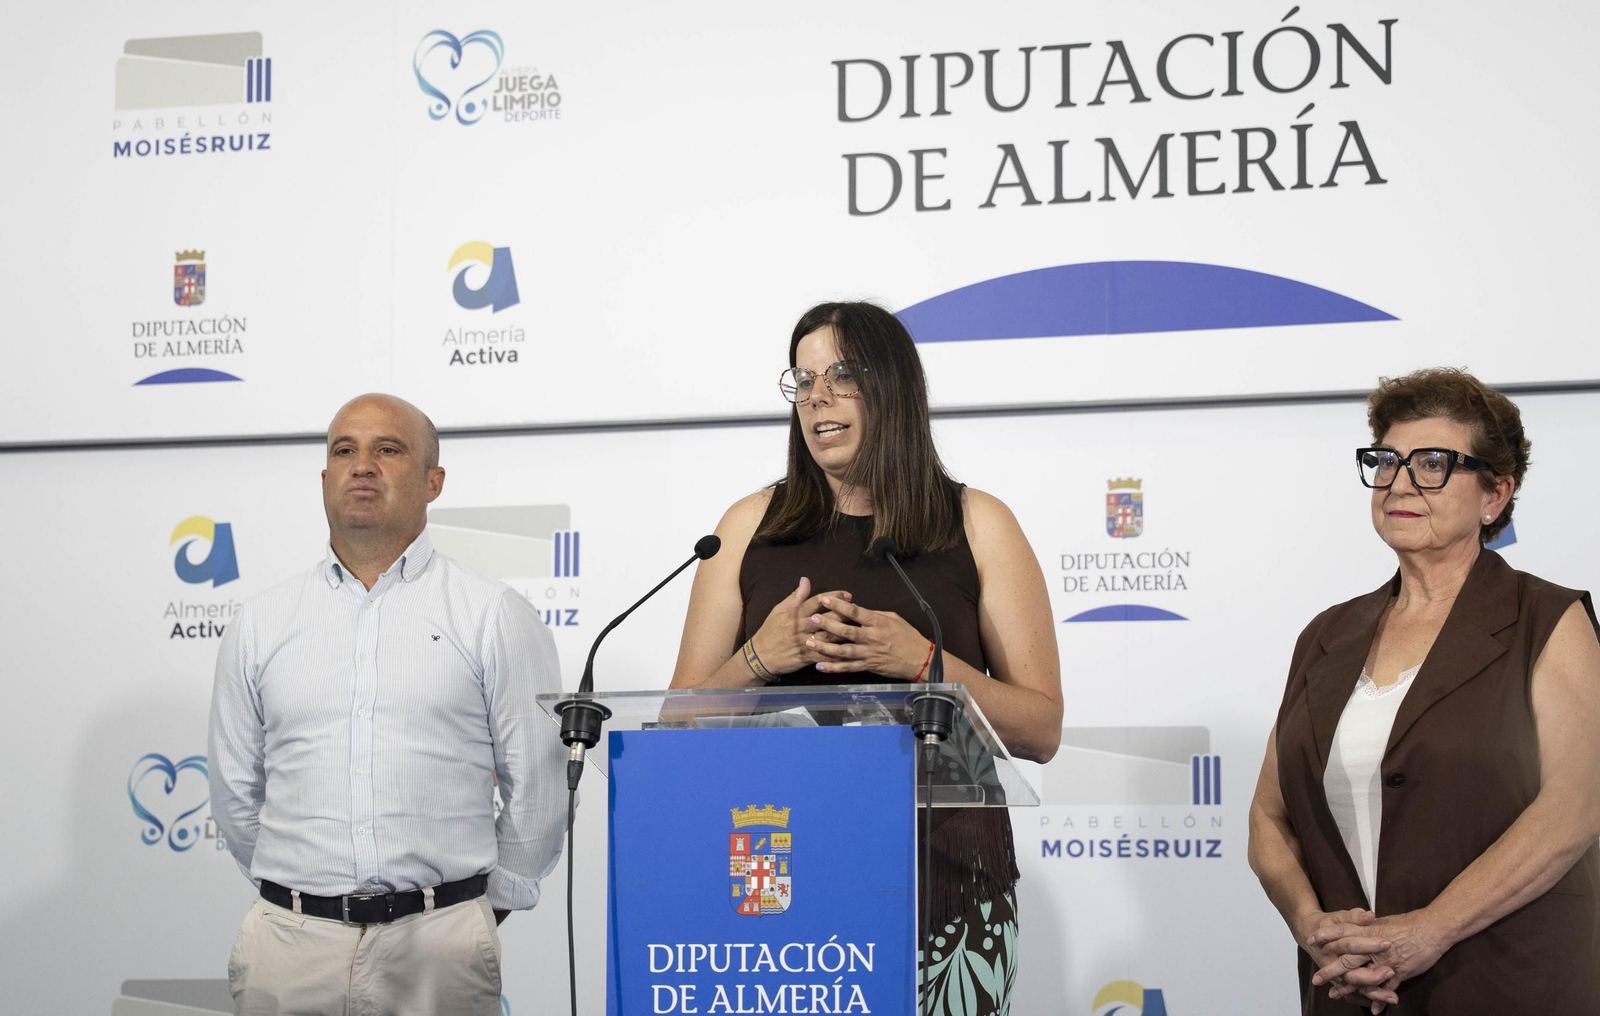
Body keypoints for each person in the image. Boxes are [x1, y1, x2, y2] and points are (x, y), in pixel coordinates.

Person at [670, 301, 1062, 1015]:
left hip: (943, 888)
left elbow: (1040, 729)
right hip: (777, 884)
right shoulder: (748, 526)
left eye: (842, 374)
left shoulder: (977, 522)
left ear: (893, 387)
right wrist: (760, 656)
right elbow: (674, 728)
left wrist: (922, 661)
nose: (818, 396)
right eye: (804, 380)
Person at [1248, 368, 1600, 1014]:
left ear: (1495, 494)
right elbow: (1268, 817)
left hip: (1505, 985)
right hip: (1350, 993)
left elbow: (1577, 806)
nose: (1400, 483)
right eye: (1387, 461)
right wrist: (1311, 925)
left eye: (1433, 464)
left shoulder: (1547, 621)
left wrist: (1431, 929)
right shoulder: (1325, 636)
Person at [208, 394, 567, 1016]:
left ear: (433, 482)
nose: (362, 465)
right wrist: (301, 902)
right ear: (325, 478)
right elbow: (235, 793)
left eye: (388, 449)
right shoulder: (260, 622)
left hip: (440, 950)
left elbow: (539, 788)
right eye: (344, 450)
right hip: (287, 951)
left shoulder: (493, 615)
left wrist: (476, 913)